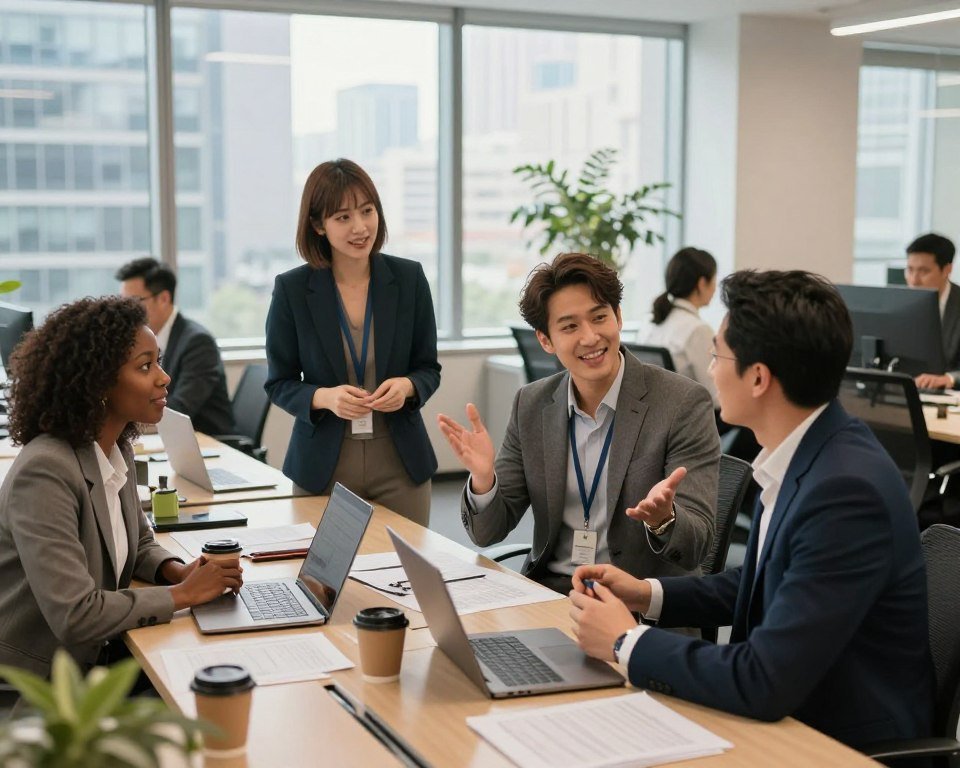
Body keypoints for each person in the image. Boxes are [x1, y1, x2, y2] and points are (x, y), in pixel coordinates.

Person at [569, 270, 934, 749]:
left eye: (719, 353)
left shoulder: (845, 492)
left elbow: (764, 680)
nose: (711, 365)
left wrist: (625, 642)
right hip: (786, 716)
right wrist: (646, 594)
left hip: (835, 743)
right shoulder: (805, 452)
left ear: (759, 377)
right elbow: (761, 581)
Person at [438, 252, 720, 596]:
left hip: (637, 600)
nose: (589, 337)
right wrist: (483, 480)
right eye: (570, 326)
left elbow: (698, 545)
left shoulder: (681, 403)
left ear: (617, 316)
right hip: (552, 593)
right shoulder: (532, 404)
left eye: (599, 317)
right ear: (545, 340)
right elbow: (488, 533)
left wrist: (665, 519)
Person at [0, 297, 242, 677]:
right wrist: (184, 595)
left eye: (158, 361)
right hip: (42, 684)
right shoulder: (46, 471)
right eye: (145, 366)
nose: (164, 377)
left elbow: (137, 541)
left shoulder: (115, 449)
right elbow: (76, 615)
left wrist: (177, 571)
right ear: (98, 383)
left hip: (99, 658)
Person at [265, 159, 440, 525]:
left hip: (400, 464)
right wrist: (324, 397)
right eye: (343, 217)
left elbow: (428, 368)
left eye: (367, 210)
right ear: (318, 225)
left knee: (405, 577)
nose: (360, 227)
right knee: (323, 581)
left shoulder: (409, 279)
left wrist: (408, 386)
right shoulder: (293, 289)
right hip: (323, 467)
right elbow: (279, 383)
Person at [116, 257, 234, 436]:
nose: (126, 311)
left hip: (209, 445)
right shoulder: (145, 342)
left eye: (133, 302)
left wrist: (121, 416)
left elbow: (179, 409)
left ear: (163, 298)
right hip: (171, 441)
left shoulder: (198, 342)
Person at [644, 247, 718, 406]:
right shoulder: (698, 330)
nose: (715, 287)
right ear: (702, 283)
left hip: (657, 419)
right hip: (689, 422)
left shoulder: (653, 324)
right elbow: (715, 396)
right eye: (714, 279)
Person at [904, 232, 959, 390]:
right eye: (910, 269)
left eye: (923, 271)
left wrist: (949, 379)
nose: (914, 280)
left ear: (946, 270)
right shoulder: (901, 305)